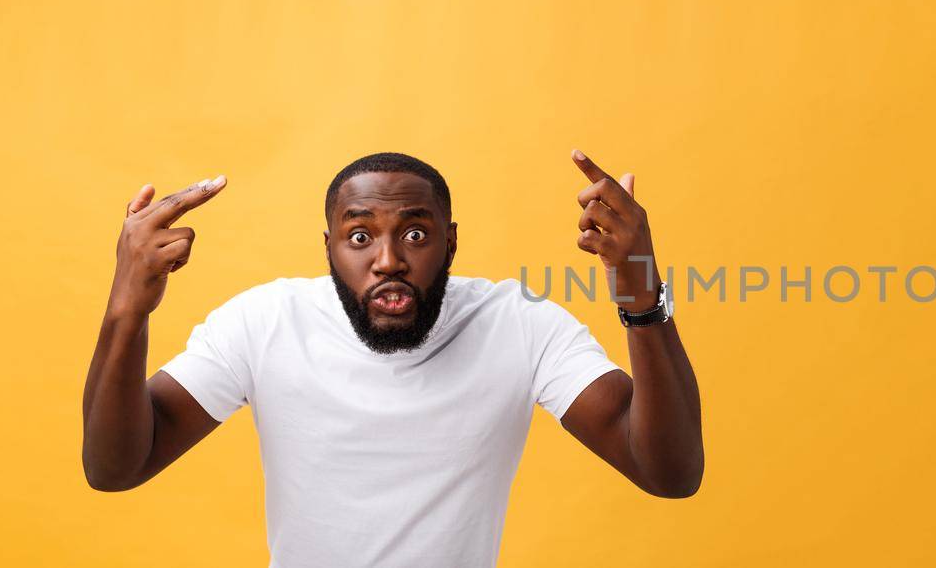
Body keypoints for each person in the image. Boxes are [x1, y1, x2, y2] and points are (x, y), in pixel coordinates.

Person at [79, 151, 703, 567]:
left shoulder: (519, 324)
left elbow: (668, 472)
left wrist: (639, 290)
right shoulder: (266, 322)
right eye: (359, 236)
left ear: (450, 239)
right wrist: (126, 310)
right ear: (328, 248)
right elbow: (115, 466)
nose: (387, 260)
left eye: (414, 232)